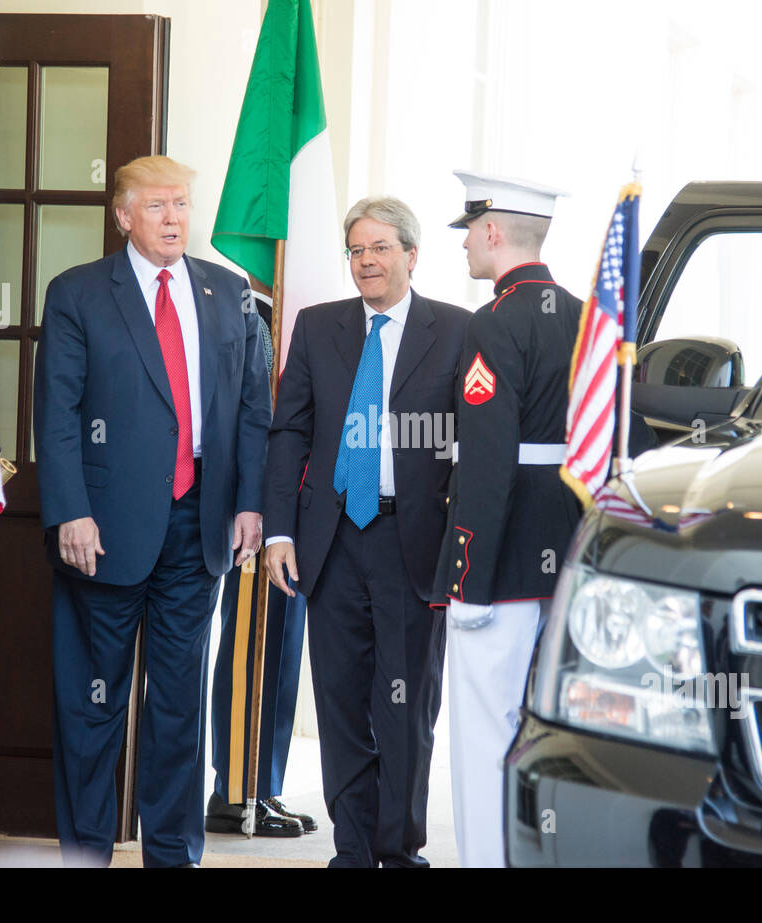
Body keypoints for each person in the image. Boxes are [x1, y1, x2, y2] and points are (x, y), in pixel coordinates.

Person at [34, 155, 270, 868]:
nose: (175, 218)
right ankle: (85, 856)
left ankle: (174, 855)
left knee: (178, 708)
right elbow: (59, 413)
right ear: (124, 215)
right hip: (101, 532)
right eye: (159, 205)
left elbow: (254, 409)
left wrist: (252, 502)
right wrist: (69, 510)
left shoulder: (229, 292)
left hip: (199, 527)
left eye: (183, 204)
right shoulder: (77, 293)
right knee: (93, 707)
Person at [435, 170, 656, 867]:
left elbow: (488, 461)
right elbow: (621, 441)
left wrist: (467, 577)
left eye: (470, 229)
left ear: (494, 231)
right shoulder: (592, 318)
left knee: (483, 731)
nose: (466, 242)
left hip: (499, 566)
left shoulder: (494, 323)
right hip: (569, 550)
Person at [263, 197, 470, 867]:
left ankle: (399, 846)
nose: (367, 261)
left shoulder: (457, 331)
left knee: (404, 706)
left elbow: (478, 446)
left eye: (380, 248)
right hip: (331, 544)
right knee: (342, 703)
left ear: (412, 255)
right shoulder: (319, 327)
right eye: (356, 250)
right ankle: (351, 847)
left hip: (413, 544)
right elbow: (290, 429)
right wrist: (278, 533)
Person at [206, 281, 314, 838]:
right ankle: (235, 792)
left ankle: (263, 786)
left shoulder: (309, 306)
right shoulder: (245, 310)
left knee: (282, 652)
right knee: (253, 645)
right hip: (255, 508)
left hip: (295, 511)